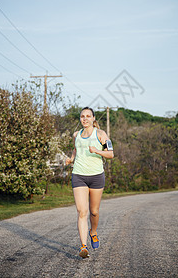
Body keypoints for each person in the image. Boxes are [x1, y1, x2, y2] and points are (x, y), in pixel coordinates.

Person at [66, 107, 114, 258]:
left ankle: (93, 232)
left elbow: (111, 154)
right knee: (82, 212)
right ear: (80, 119)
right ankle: (83, 246)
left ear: (94, 118)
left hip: (96, 176)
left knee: (94, 212)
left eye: (88, 116)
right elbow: (75, 149)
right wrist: (71, 159)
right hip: (78, 175)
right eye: (82, 116)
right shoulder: (76, 135)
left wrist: (97, 151)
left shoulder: (101, 134)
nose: (85, 119)